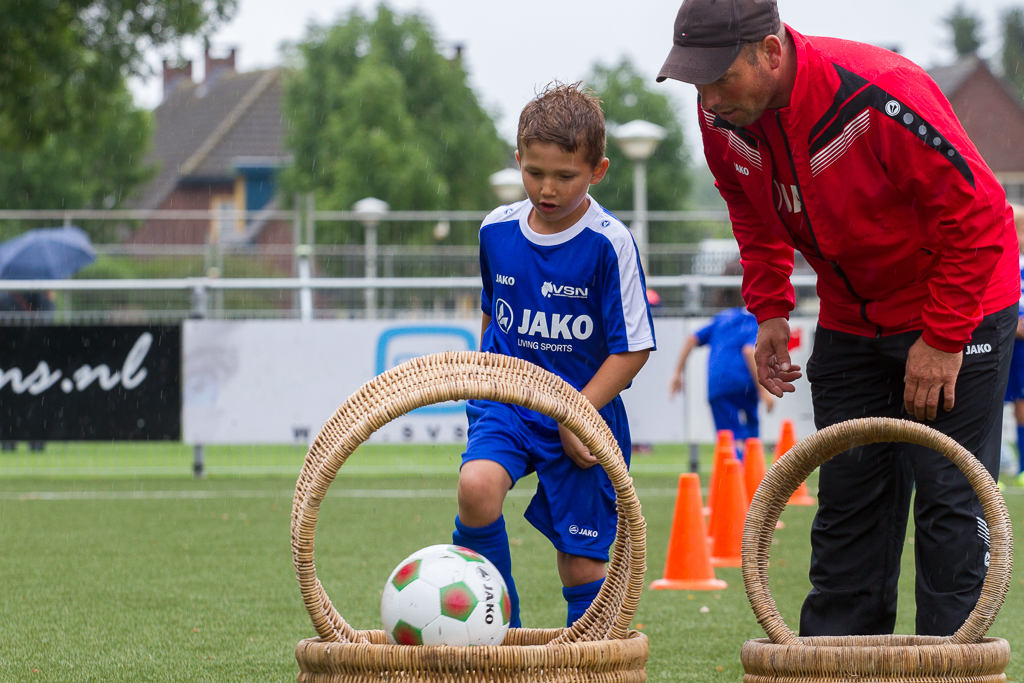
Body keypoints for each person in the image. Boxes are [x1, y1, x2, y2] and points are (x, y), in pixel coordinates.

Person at [656, 0, 1020, 637]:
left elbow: (983, 215)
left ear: (771, 52)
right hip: (853, 314)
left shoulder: (881, 95)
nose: (707, 100)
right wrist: (770, 306)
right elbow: (749, 207)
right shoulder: (724, 117)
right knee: (849, 504)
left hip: (957, 305)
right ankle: (836, 665)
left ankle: (948, 670)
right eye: (695, 82)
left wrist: (943, 337)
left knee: (950, 502)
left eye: (718, 78)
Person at [454, 83, 655, 628]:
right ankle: (499, 637)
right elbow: (493, 315)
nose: (547, 188)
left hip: (584, 411)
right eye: (534, 172)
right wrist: (485, 381)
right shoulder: (496, 230)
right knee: (476, 488)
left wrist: (576, 413)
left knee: (581, 561)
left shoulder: (610, 243)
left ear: (598, 170)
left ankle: (582, 659)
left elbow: (633, 349)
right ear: (518, 159)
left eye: (565, 176)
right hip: (509, 404)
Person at [669, 261, 774, 454]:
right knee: (750, 433)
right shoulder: (755, 321)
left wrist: (677, 373)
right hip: (744, 384)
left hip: (717, 384)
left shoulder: (722, 318)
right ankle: (746, 467)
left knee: (728, 436)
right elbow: (749, 351)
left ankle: (733, 466)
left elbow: (691, 338)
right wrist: (764, 391)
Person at [1004, 204, 1024, 484]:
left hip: (1020, 348)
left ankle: (1021, 467)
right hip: (1002, 340)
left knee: (1021, 404)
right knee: (993, 404)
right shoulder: (1004, 261)